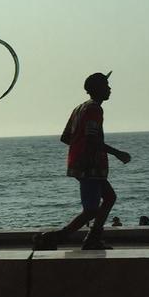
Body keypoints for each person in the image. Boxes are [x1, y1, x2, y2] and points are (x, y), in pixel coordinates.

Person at [35, 71, 131, 250]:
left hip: (81, 164)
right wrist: (118, 153)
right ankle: (56, 237)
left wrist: (78, 148)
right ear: (98, 89)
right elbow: (93, 139)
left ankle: (93, 237)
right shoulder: (95, 109)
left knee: (109, 198)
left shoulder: (79, 108)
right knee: (91, 209)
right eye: (106, 85)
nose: (110, 89)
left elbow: (65, 137)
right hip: (90, 166)